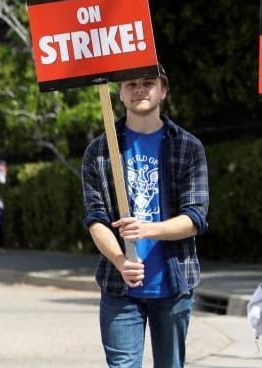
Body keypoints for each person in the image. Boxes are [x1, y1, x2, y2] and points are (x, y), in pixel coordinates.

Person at [81, 69, 209, 368]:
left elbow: (195, 217)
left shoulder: (188, 147)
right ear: (121, 93)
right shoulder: (99, 151)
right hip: (120, 286)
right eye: (131, 84)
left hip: (173, 283)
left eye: (148, 83)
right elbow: (95, 218)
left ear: (163, 90)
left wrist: (146, 229)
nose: (140, 90)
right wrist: (119, 260)